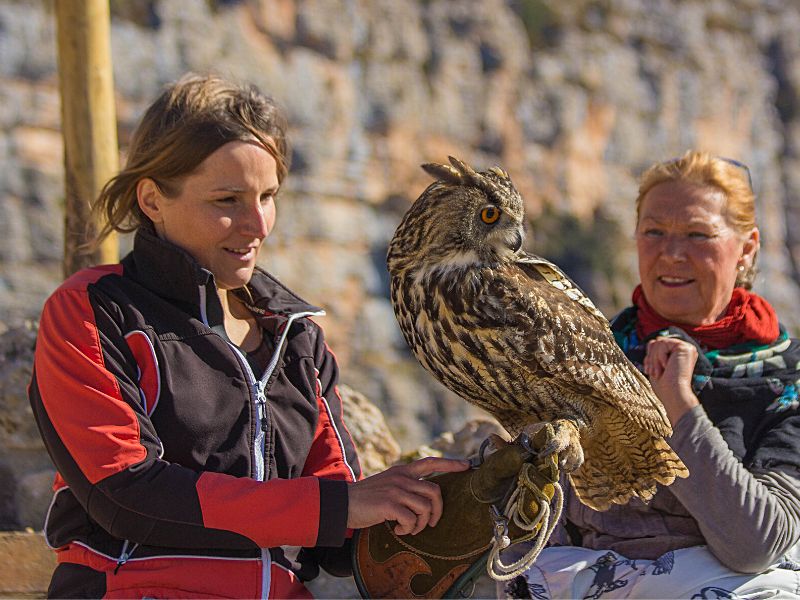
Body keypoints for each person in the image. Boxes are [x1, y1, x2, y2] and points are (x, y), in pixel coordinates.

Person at [28, 73, 468, 599]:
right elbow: (126, 494)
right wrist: (338, 508)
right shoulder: (93, 313)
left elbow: (337, 526)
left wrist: (444, 501)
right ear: (151, 199)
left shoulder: (296, 338)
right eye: (227, 200)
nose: (256, 224)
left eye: (267, 196)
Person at [502, 151, 800, 598]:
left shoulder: (787, 383)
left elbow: (754, 545)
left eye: (698, 235)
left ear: (747, 248)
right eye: (654, 232)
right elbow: (538, 518)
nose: (672, 254)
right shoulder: (584, 357)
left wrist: (677, 407)